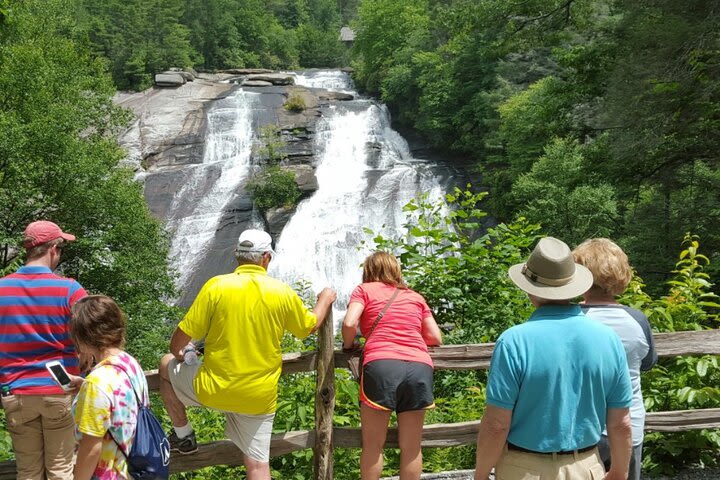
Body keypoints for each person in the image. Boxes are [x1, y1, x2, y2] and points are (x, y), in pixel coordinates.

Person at [158, 229, 336, 480]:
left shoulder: (216, 286)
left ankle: (184, 435)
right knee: (258, 466)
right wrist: (326, 300)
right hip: (257, 397)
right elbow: (308, 326)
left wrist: (181, 353)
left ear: (237, 256)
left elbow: (177, 342)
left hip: (213, 388)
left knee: (165, 365)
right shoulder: (281, 291)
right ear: (266, 258)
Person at [474, 236, 633, 480]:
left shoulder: (514, 341)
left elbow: (497, 425)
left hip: (524, 469)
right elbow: (620, 423)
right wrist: (620, 472)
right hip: (586, 466)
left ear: (529, 289)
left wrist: (481, 474)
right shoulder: (608, 339)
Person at [342, 251, 443, 480]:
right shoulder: (415, 297)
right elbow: (435, 337)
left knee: (373, 446)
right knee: (411, 447)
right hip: (419, 366)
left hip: (382, 365)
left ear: (368, 271)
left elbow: (349, 322)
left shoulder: (364, 290)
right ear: (396, 271)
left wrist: (350, 344)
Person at [0, 220, 87, 480]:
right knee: (61, 471)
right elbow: (91, 337)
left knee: (28, 472)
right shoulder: (71, 290)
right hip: (58, 391)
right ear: (53, 249)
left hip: (16, 393)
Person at [573, 238, 658, 480]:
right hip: (630, 424)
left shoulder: (571, 320)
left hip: (581, 428)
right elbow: (647, 363)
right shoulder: (638, 320)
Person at [70, 295, 149, 480]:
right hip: (133, 469)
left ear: (84, 335)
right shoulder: (128, 363)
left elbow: (91, 448)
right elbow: (120, 401)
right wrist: (85, 387)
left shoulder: (97, 383)